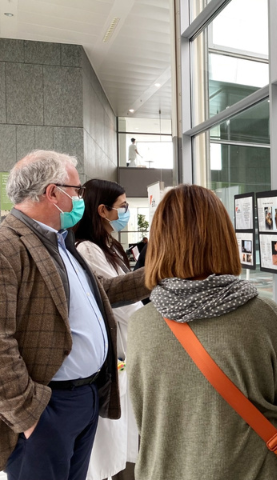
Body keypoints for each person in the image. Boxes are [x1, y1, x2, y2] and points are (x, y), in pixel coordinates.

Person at [127, 184, 277, 479]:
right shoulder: (263, 315)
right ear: (224, 238)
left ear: (159, 243)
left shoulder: (141, 324)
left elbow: (145, 420)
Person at [0, 150, 149, 480]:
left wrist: (154, 274)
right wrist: (29, 416)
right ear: (53, 193)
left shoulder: (59, 243)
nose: (80, 197)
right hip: (47, 408)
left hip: (84, 397)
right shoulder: (8, 245)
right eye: (77, 190)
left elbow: (104, 293)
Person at [74, 179, 144, 480]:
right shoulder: (88, 249)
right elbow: (118, 300)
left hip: (128, 346)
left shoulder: (108, 245)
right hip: (119, 348)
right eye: (123, 206)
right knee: (111, 444)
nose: (126, 211)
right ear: (102, 210)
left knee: (125, 436)